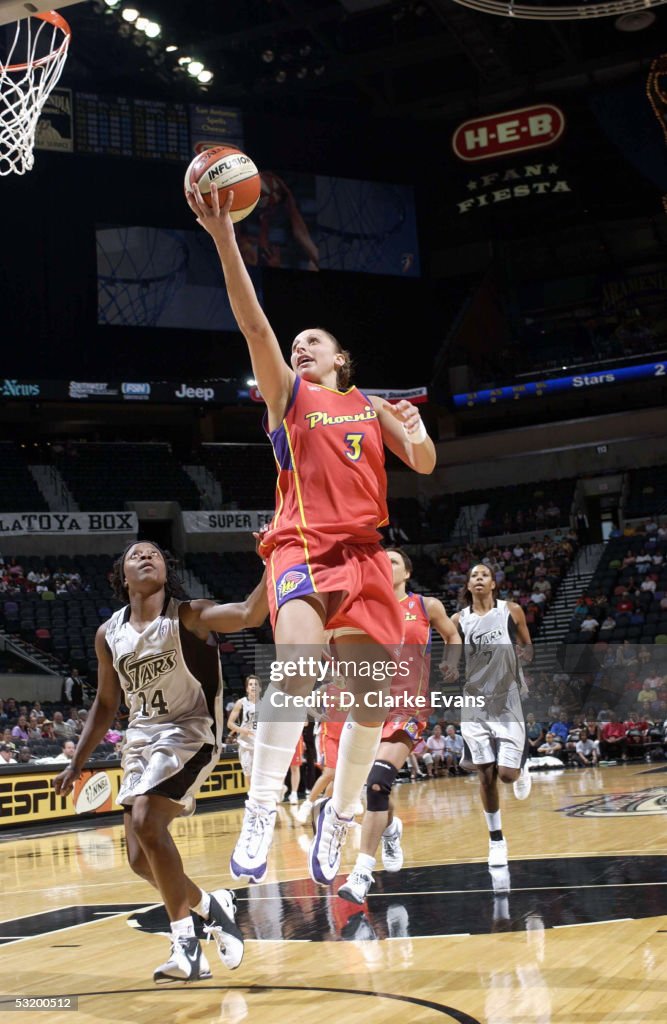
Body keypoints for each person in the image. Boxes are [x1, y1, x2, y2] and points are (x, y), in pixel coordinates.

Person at [187, 183, 436, 888]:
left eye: (313, 342)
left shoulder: (371, 406)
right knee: (296, 666)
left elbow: (423, 465)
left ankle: (343, 811)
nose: (299, 346)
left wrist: (413, 431)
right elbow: (255, 329)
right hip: (300, 547)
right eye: (296, 343)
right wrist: (224, 238)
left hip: (362, 556)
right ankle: (261, 808)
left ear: (341, 360)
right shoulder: (290, 397)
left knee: (367, 700)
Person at [54, 541, 268, 984]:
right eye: (136, 555)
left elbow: (250, 614)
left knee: (150, 825)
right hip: (141, 743)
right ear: (122, 575)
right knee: (138, 858)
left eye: (153, 553)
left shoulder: (189, 615)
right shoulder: (108, 633)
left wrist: (275, 559)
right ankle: (212, 908)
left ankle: (186, 946)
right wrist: (77, 761)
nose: (145, 557)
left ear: (166, 572)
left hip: (190, 733)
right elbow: (106, 703)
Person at [338, 546, 460, 903]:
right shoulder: (363, 608)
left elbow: (452, 636)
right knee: (373, 788)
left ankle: (361, 873)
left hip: (409, 707)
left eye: (391, 561)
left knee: (377, 783)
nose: (383, 566)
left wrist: (451, 662)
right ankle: (391, 828)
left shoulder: (426, 606)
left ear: (406, 572)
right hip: (369, 707)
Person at [452, 564, 533, 870]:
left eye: (484, 574)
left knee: (507, 776)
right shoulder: (459, 620)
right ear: (468, 585)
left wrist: (522, 663)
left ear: (494, 583)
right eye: (473, 575)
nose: (479, 578)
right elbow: (449, 647)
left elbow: (526, 644)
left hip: (507, 696)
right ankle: (496, 840)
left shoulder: (511, 611)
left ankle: (522, 766)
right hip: (475, 700)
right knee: (485, 774)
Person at [227, 674, 260, 783]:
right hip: (245, 744)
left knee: (260, 774)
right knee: (248, 774)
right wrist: (242, 730)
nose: (253, 686)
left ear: (260, 688)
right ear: (247, 688)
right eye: (250, 684)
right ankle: (251, 798)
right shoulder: (241, 703)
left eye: (256, 684)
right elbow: (230, 724)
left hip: (260, 744)